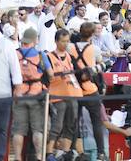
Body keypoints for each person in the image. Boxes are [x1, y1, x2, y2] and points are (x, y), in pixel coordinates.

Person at [13, 28, 51, 161]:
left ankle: (17, 158)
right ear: (35, 40)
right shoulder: (40, 54)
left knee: (18, 130)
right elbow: (50, 74)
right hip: (37, 94)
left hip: (19, 93)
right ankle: (39, 157)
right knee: (38, 129)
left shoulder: (15, 54)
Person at [48, 29, 83, 161]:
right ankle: (49, 152)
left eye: (67, 41)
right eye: (63, 41)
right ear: (56, 41)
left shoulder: (70, 56)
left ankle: (66, 151)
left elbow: (78, 73)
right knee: (57, 125)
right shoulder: (49, 56)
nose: (65, 44)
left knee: (71, 123)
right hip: (57, 95)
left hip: (72, 94)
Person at [74, 22, 107, 161]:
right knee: (96, 122)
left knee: (74, 123)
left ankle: (77, 153)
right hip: (90, 88)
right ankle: (101, 153)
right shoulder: (95, 49)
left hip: (74, 89)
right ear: (92, 34)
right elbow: (102, 65)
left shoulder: (71, 47)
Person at [0, 20, 21, 161]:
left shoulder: (7, 45)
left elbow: (15, 68)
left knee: (2, 130)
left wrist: (17, 87)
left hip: (3, 95)